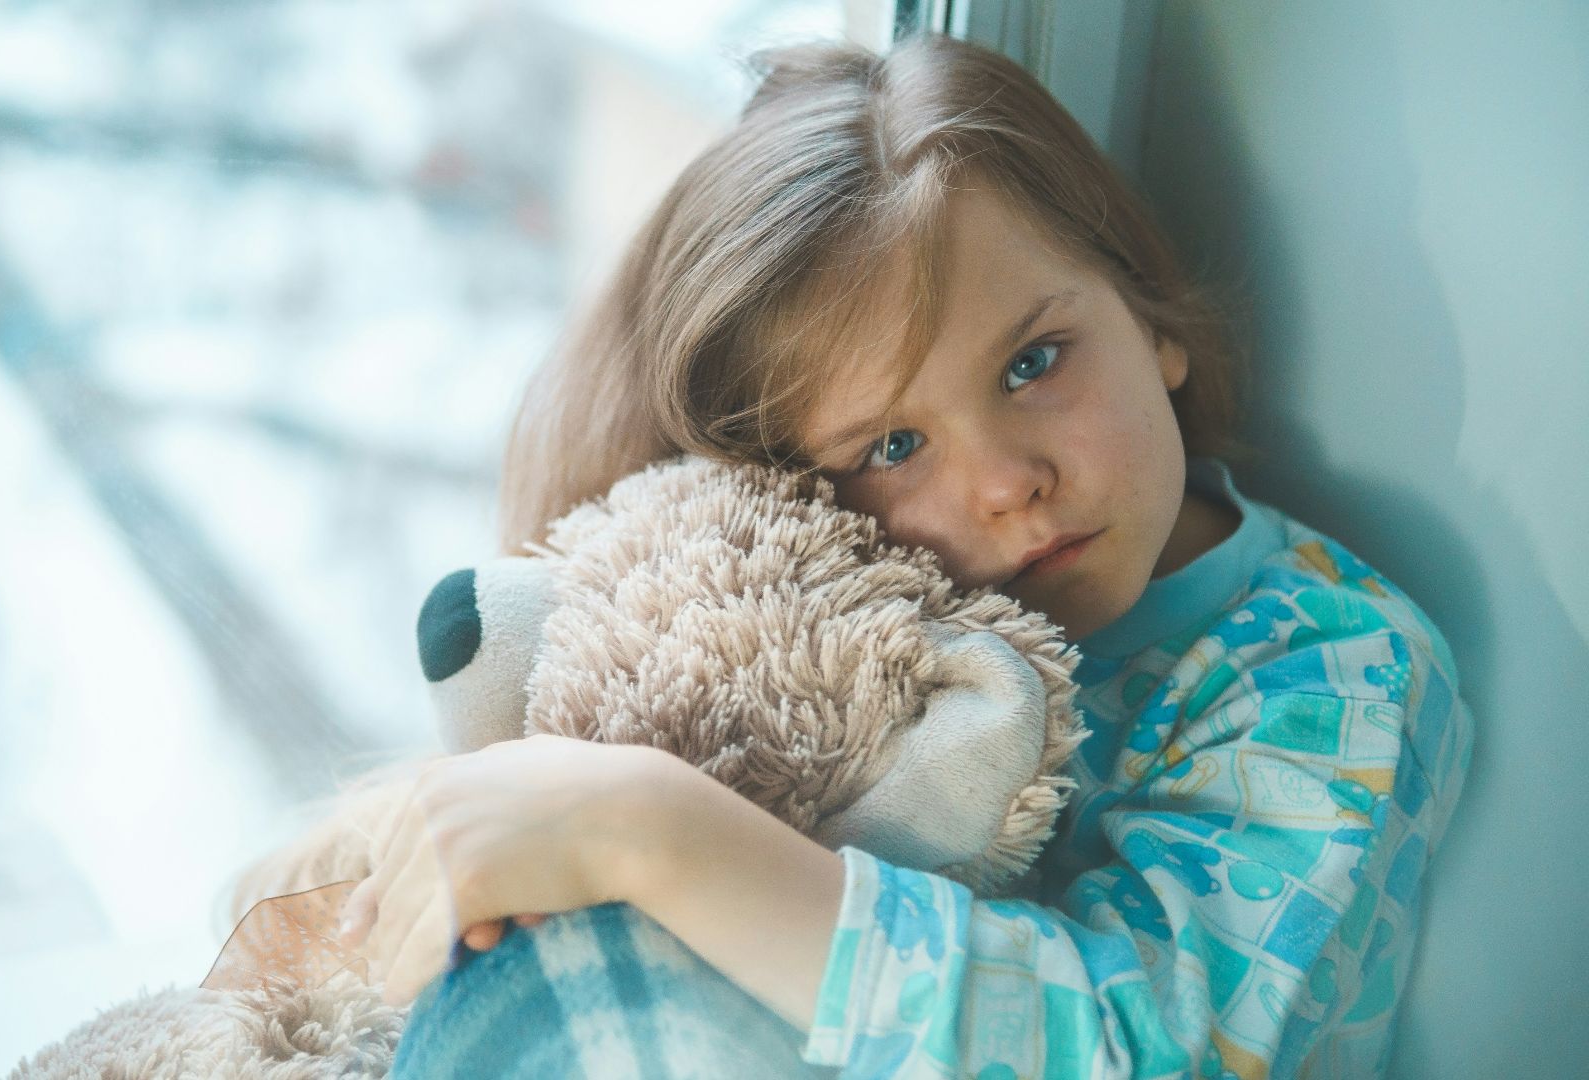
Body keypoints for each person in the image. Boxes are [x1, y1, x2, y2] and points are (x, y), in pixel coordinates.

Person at [336, 33, 1471, 1078]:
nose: (1001, 482)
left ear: (1153, 319)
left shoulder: (1331, 670)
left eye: (1034, 363)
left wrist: (652, 831)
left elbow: (1149, 1049)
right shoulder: (837, 634)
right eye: (892, 445)